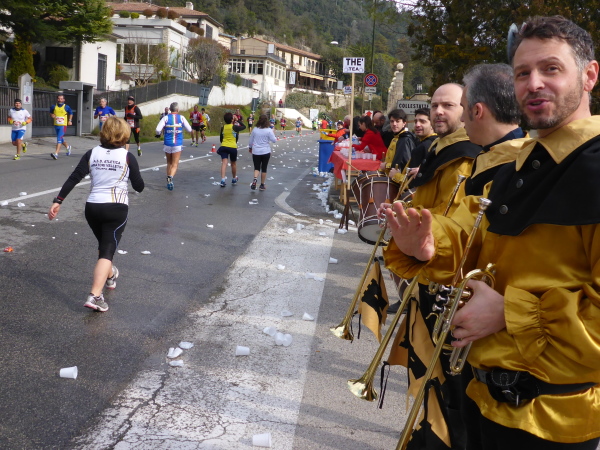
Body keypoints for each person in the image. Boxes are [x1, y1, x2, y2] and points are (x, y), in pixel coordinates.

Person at [384, 16, 600, 449]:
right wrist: (428, 243)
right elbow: (473, 236)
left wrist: (508, 313)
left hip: (550, 422)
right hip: (484, 402)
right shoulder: (523, 162)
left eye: (551, 69)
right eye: (522, 73)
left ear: (589, 75)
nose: (533, 84)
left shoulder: (593, 166)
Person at [381, 83, 481, 449]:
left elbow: (454, 223)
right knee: (429, 372)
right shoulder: (439, 149)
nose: (439, 111)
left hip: (447, 279)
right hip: (428, 274)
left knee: (449, 382)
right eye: (435, 105)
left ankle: (440, 438)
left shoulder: (468, 157)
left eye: (448, 105)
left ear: (467, 110)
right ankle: (429, 430)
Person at [48, 117, 144, 312]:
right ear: (124, 134)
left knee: (104, 245)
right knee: (107, 250)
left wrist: (58, 200)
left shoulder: (92, 153)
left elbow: (74, 177)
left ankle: (110, 276)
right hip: (116, 208)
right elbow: (139, 187)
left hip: (93, 207)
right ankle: (95, 296)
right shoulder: (127, 156)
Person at [461, 63, 526, 196]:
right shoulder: (527, 156)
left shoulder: (514, 165)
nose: (462, 119)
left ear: (477, 111)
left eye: (463, 108)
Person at [155, 102, 192, 191]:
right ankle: (170, 177)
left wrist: (159, 133)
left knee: (169, 163)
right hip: (177, 144)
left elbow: (157, 129)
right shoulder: (181, 118)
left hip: (167, 143)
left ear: (170, 109)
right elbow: (189, 129)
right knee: (175, 164)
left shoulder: (165, 118)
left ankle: (168, 181)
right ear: (177, 109)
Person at [380, 108, 416, 180]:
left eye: (397, 121)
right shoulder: (396, 137)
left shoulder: (405, 140)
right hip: (391, 177)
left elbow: (404, 164)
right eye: (392, 121)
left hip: (398, 180)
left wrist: (386, 165)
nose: (394, 124)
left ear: (404, 123)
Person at [248, 114, 277, 191]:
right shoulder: (269, 130)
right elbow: (274, 140)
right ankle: (262, 185)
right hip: (265, 151)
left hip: (256, 151)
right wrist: (273, 133)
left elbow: (251, 140)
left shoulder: (255, 129)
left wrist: (250, 147)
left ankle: (255, 179)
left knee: (256, 167)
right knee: (264, 168)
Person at [217, 111, 246, 187]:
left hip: (224, 146)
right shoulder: (234, 127)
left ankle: (223, 180)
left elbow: (221, 138)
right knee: (233, 164)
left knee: (224, 163)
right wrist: (237, 120)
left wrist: (224, 143)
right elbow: (244, 127)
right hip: (232, 147)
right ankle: (234, 178)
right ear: (232, 119)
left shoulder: (223, 127)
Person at [49, 94, 73, 160]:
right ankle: (68, 147)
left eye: (61, 99)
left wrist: (70, 120)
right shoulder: (53, 106)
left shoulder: (66, 107)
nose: (60, 100)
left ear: (64, 100)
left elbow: (71, 113)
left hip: (63, 125)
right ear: (57, 99)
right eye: (59, 98)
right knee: (61, 138)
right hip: (56, 125)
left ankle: (56, 154)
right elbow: (50, 113)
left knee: (59, 139)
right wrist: (52, 115)